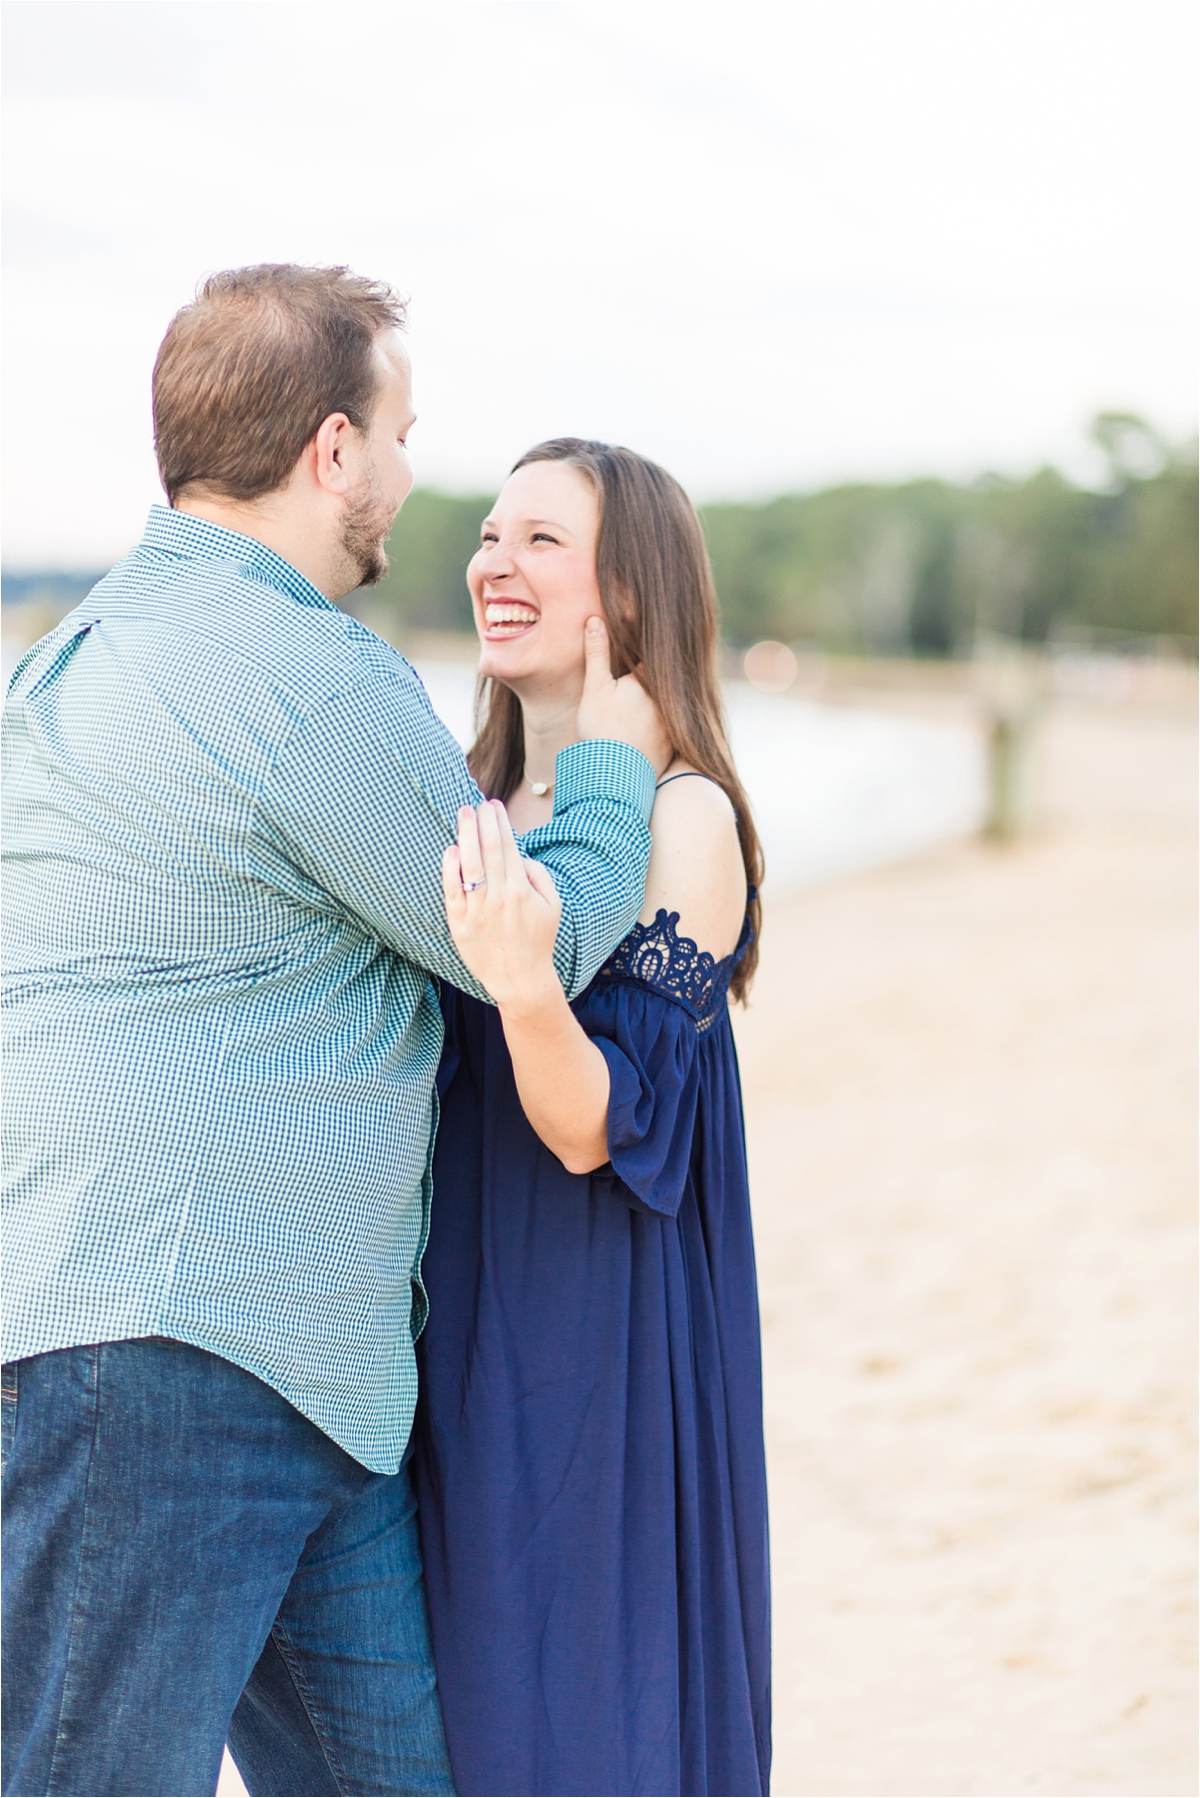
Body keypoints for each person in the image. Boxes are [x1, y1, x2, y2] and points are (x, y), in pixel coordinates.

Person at [2, 270, 670, 1798]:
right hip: (177, 1356)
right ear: (329, 452)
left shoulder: (87, 649)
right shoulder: (297, 673)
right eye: (400, 433)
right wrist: (613, 764)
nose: (413, 476)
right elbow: (528, 939)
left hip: (299, 1371)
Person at [412, 440, 771, 1798]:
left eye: (541, 540)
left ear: (628, 593)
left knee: (578, 1721)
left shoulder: (687, 824)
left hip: (594, 1337)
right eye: (491, 534)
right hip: (456, 1318)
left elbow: (591, 1124)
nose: (494, 561)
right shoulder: (468, 798)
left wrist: (517, 978)